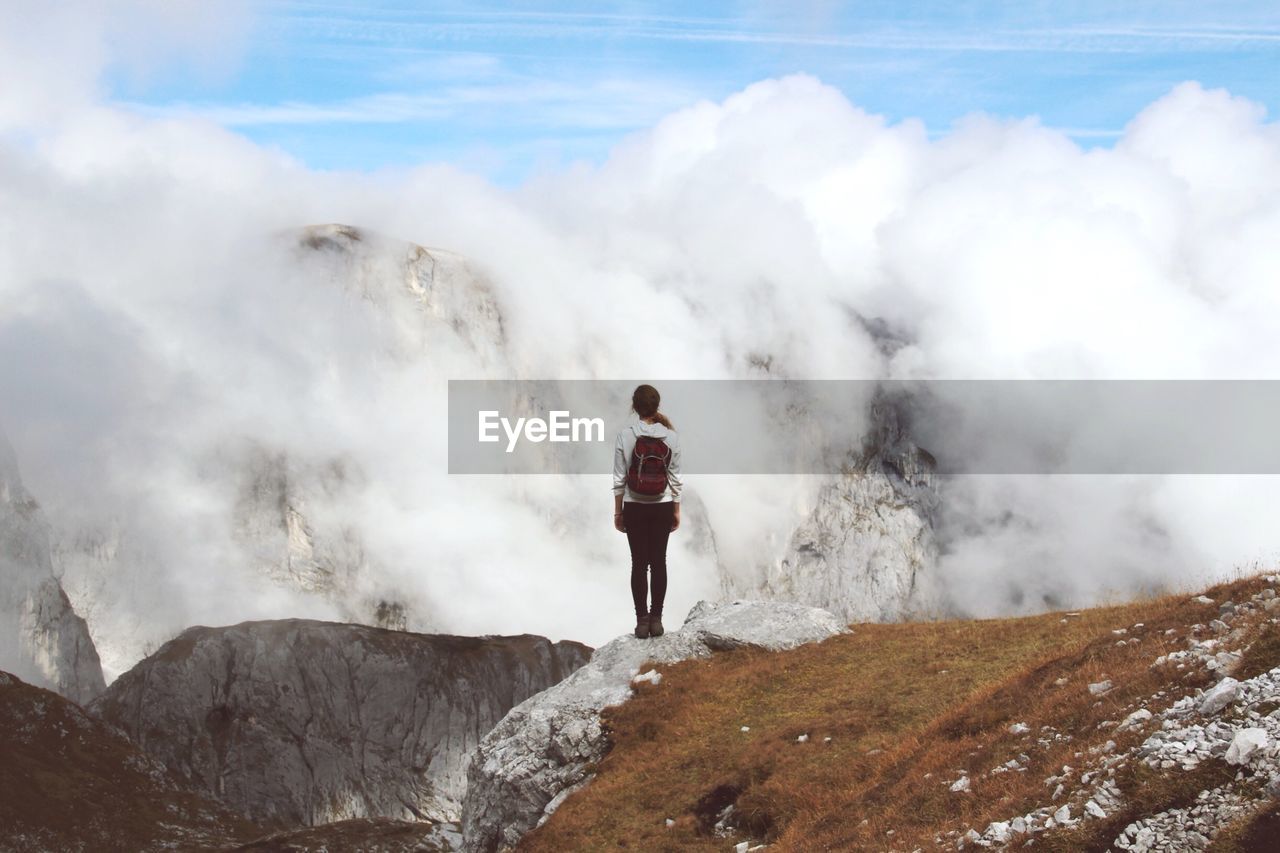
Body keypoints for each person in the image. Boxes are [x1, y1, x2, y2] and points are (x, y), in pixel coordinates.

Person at [612, 384, 682, 639]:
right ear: (657, 405)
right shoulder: (671, 437)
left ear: (635, 406)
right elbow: (675, 478)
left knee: (639, 563)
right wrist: (676, 509)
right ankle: (657, 620)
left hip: (634, 505)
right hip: (662, 505)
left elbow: (619, 478)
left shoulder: (625, 435)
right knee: (659, 562)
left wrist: (618, 512)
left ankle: (641, 622)